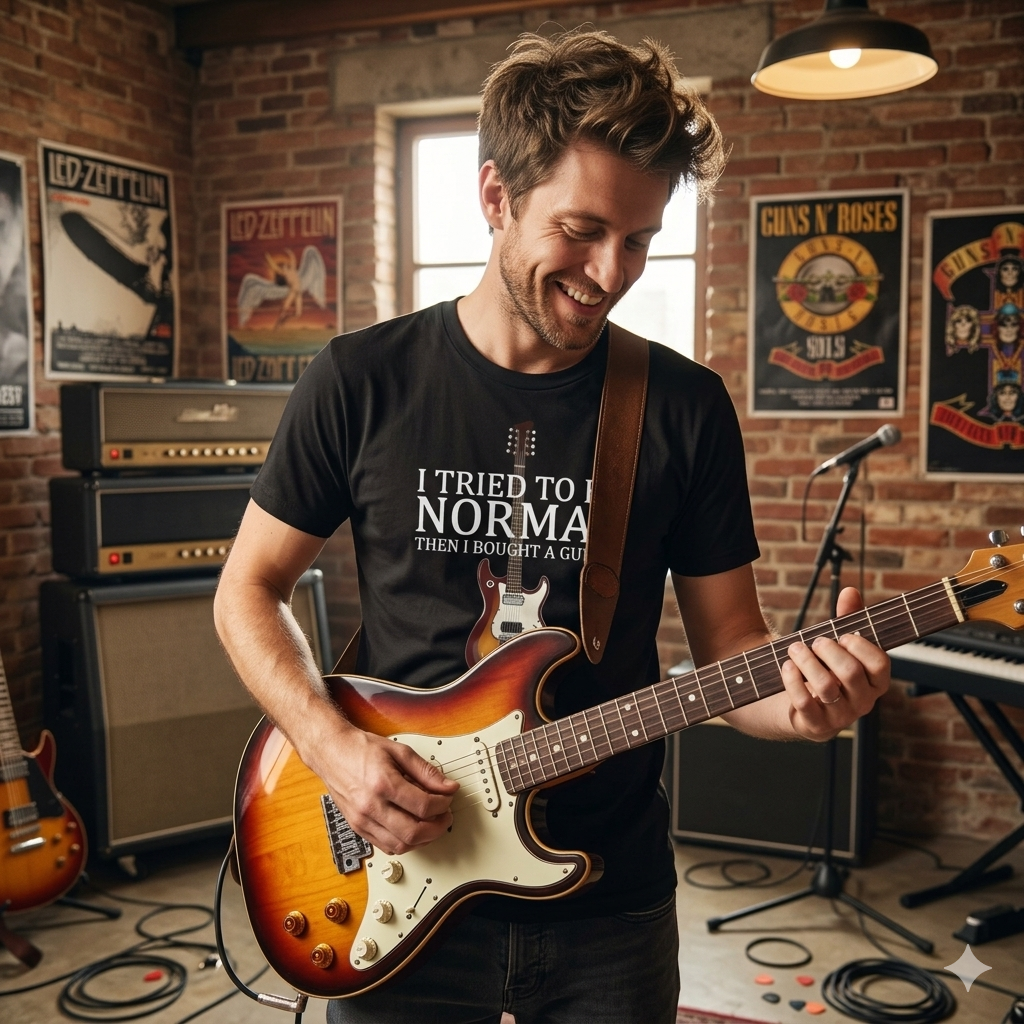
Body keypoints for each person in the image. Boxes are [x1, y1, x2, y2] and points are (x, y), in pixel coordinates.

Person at [214, 29, 890, 1024]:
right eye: (581, 229)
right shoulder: (361, 379)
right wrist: (332, 748)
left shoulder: (680, 407)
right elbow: (246, 592)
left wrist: (803, 708)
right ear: (495, 197)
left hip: (606, 902)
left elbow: (733, 653)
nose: (609, 271)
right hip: (397, 882)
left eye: (639, 239)